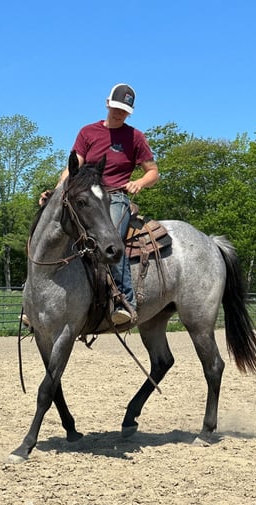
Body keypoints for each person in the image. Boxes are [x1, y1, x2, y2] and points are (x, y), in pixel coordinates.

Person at [41, 83, 159, 326]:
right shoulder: (88, 132)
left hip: (115, 197)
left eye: (124, 110)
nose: (118, 113)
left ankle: (124, 300)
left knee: (110, 238)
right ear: (107, 103)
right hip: (86, 196)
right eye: (116, 108)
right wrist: (56, 192)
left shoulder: (135, 137)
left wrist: (139, 182)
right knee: (48, 233)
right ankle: (37, 301)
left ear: (129, 112)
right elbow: (73, 168)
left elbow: (153, 172)